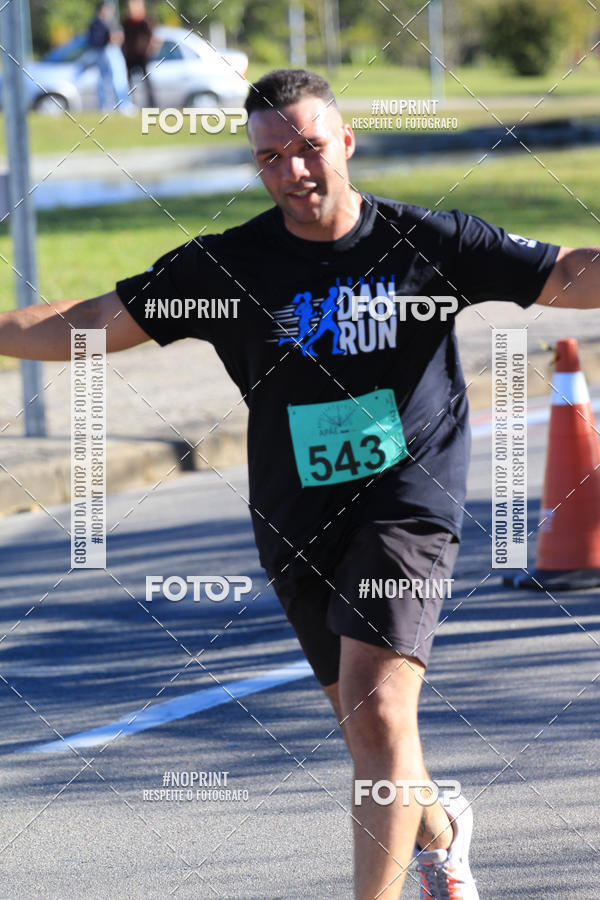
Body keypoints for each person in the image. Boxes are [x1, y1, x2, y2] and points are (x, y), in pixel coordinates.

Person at [1, 68, 599, 899]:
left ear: (346, 143)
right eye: (272, 156)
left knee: (381, 710)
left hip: (407, 504)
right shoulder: (228, 266)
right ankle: (440, 829)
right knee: (369, 730)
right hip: (293, 518)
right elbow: (89, 324)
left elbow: (567, 272)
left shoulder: (425, 242)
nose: (295, 170)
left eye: (310, 147)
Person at [76, 1, 135, 113]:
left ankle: (124, 105)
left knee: (119, 80)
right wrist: (108, 38)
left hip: (113, 52)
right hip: (102, 54)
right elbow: (94, 41)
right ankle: (105, 107)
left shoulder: (112, 21)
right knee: (104, 82)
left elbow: (119, 37)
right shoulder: (96, 24)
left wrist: (116, 38)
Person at [121, 0, 156, 107]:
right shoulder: (127, 22)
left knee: (147, 82)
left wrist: (148, 50)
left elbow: (152, 37)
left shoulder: (145, 21)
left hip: (142, 56)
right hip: (130, 56)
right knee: (128, 82)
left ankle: (151, 105)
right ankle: (128, 104)